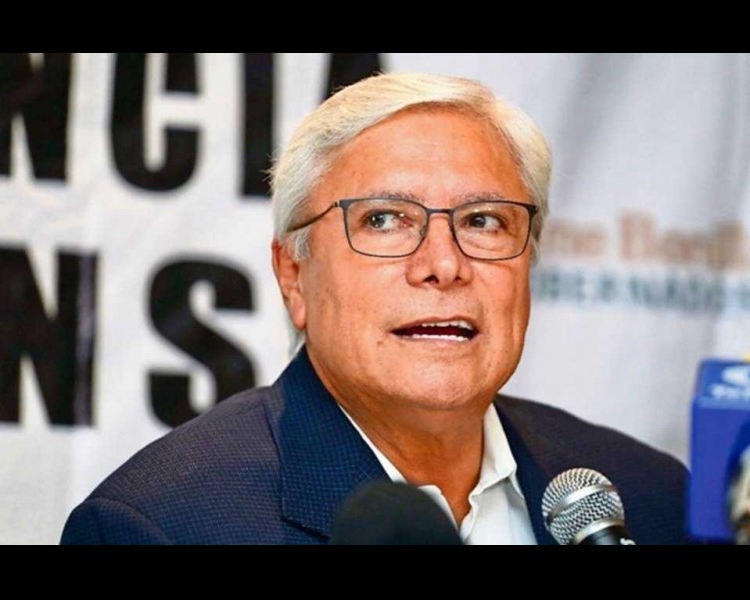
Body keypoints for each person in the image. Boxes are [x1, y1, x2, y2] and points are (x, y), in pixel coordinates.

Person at [60, 72, 688, 544]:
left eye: (483, 221)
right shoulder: (161, 526)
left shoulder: (651, 498)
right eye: (384, 220)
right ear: (293, 276)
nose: (444, 264)